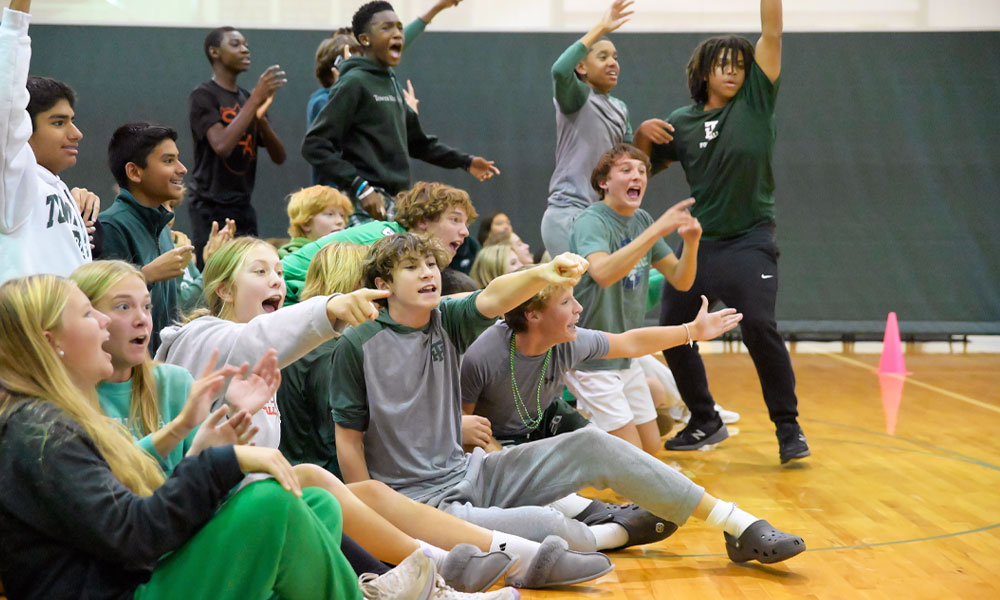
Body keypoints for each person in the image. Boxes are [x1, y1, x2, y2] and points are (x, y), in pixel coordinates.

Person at [156, 236, 609, 592]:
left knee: (326, 485)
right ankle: (460, 567)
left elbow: (490, 299)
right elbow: (338, 438)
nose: (277, 280)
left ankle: (448, 570)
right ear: (221, 289)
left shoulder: (278, 358)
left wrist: (541, 272)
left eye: (279, 270)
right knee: (330, 484)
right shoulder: (202, 339)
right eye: (261, 271)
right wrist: (329, 308)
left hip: (375, 490)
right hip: (370, 494)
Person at [331, 232, 805, 564]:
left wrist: (544, 271)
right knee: (546, 524)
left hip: (473, 471)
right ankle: (611, 532)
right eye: (411, 267)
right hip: (423, 499)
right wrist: (373, 522)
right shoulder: (360, 345)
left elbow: (495, 297)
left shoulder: (448, 320)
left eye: (431, 264)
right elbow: (348, 442)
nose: (428, 273)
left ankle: (737, 524)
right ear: (383, 285)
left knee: (595, 443)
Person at [0, 273, 363, 600]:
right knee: (271, 504)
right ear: (51, 343)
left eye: (145, 305)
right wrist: (220, 462)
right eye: (87, 314)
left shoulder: (48, 420)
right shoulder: (40, 433)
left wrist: (204, 450)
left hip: (136, 575)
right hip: (127, 589)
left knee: (317, 504)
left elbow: (133, 519)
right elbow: (135, 536)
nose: (106, 321)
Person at [631, 0, 808, 464]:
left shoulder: (756, 100)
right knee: (673, 329)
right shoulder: (683, 122)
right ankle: (704, 419)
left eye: (739, 65)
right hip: (701, 246)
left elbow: (772, 33)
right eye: (722, 65)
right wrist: (642, 137)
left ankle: (788, 429)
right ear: (704, 73)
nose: (732, 72)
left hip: (749, 242)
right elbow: (639, 172)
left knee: (760, 328)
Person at [461, 286, 740, 448]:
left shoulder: (570, 340)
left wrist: (691, 330)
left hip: (542, 420)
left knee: (611, 452)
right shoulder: (481, 356)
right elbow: (461, 429)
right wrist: (495, 456)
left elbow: (629, 343)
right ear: (532, 314)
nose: (578, 308)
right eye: (566, 301)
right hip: (496, 437)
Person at [302, 1, 499, 225]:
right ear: (365, 40)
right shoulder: (354, 82)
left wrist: (466, 161)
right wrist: (361, 188)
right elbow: (314, 145)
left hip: (397, 202)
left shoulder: (389, 81)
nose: (397, 34)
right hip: (366, 206)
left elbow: (418, 143)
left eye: (399, 27)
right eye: (386, 28)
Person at [564, 144, 700, 455]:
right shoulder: (592, 220)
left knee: (650, 455)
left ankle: (592, 445)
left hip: (626, 356)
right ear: (604, 182)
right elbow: (602, 272)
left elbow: (681, 280)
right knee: (633, 464)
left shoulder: (642, 221)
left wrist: (690, 245)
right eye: (626, 170)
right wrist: (654, 232)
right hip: (590, 358)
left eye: (641, 171)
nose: (636, 176)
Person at [72, 260, 263, 475]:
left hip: (189, 507)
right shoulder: (63, 397)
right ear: (90, 319)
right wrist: (180, 425)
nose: (142, 320)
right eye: (124, 307)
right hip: (134, 508)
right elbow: (105, 482)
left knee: (302, 477)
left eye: (146, 307)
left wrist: (238, 418)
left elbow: (216, 485)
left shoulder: (174, 381)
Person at [540, 0, 671, 257]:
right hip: (569, 212)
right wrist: (601, 27)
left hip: (600, 215)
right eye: (603, 57)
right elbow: (558, 70)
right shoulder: (578, 97)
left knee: (613, 289)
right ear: (581, 67)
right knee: (586, 290)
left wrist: (644, 134)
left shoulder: (620, 108)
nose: (612, 62)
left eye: (615, 57)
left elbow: (628, 166)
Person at [0, 0, 94, 284]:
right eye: (58, 122)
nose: (76, 133)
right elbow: (7, 103)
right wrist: (16, 20)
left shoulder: (57, 188)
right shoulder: (12, 184)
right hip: (29, 325)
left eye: (71, 120)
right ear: (23, 129)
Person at [187, 25, 287, 265]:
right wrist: (254, 101)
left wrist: (260, 118)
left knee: (248, 271)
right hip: (210, 206)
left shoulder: (245, 98)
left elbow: (279, 155)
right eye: (235, 44)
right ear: (214, 52)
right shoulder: (203, 95)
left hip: (242, 205)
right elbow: (221, 145)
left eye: (246, 45)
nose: (244, 50)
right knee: (213, 273)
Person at [282, 181, 478, 303]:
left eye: (466, 223)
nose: (465, 232)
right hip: (286, 303)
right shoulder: (383, 241)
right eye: (455, 220)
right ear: (422, 221)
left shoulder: (401, 245)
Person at [98, 122, 195, 354]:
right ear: (134, 172)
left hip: (159, 372)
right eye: (168, 161)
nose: (182, 169)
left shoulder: (162, 228)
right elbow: (103, 303)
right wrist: (147, 275)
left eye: (178, 159)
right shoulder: (110, 226)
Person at [279, 185, 354, 258]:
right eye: (330, 214)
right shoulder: (291, 257)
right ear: (306, 223)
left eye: (342, 215)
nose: (340, 221)